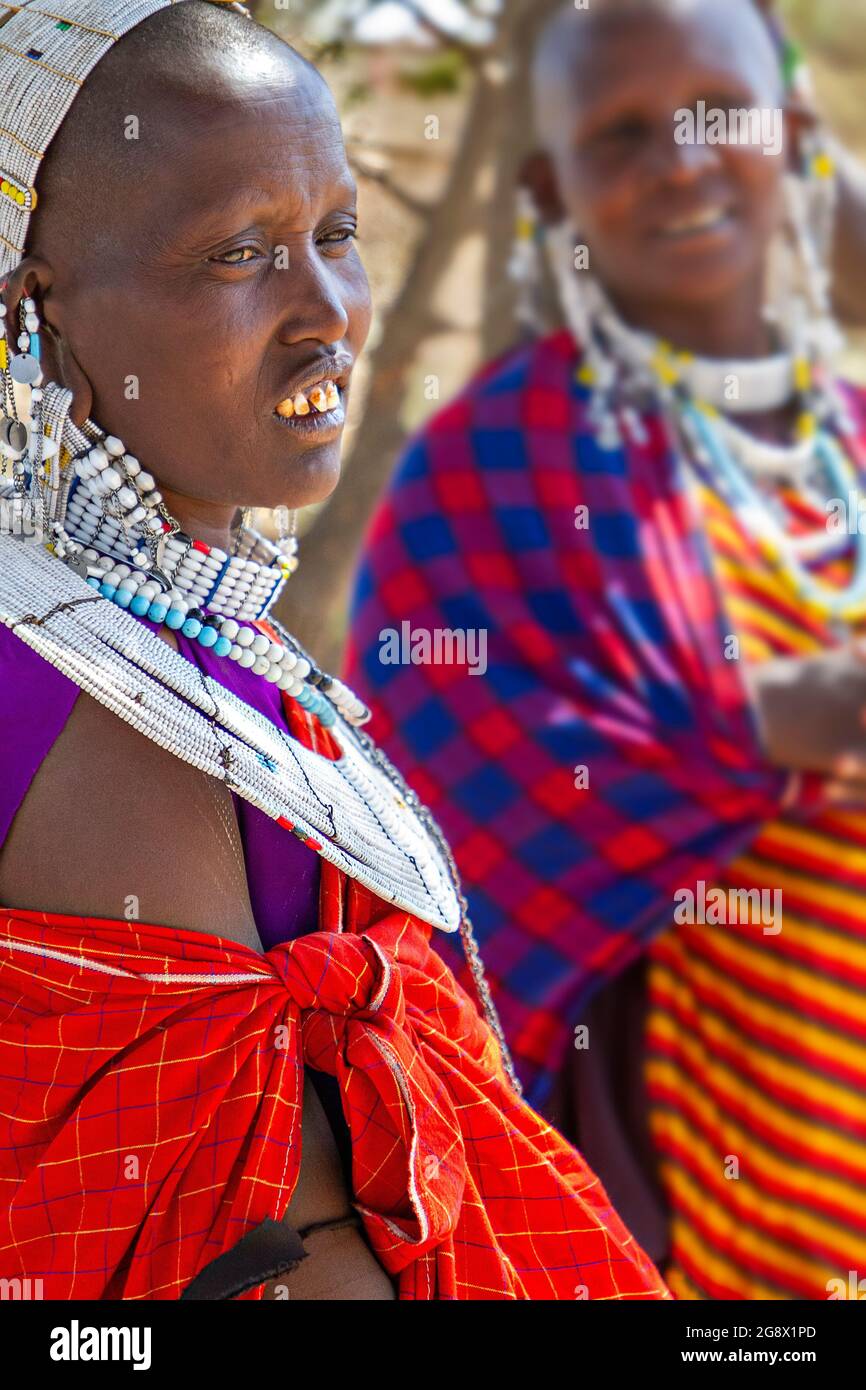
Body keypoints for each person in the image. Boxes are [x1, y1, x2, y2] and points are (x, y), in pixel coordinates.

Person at [0, 0, 669, 1302]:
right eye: (239, 254)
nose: (328, 311)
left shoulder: (177, 647)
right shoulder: (105, 701)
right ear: (41, 318)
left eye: (338, 235)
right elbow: (270, 1247)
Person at [348, 0, 866, 1299]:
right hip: (699, 1164)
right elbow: (433, 803)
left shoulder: (846, 431)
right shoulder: (493, 462)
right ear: (548, 184)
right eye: (620, 132)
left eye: (717, 116)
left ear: (794, 136)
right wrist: (772, 714)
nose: (678, 161)